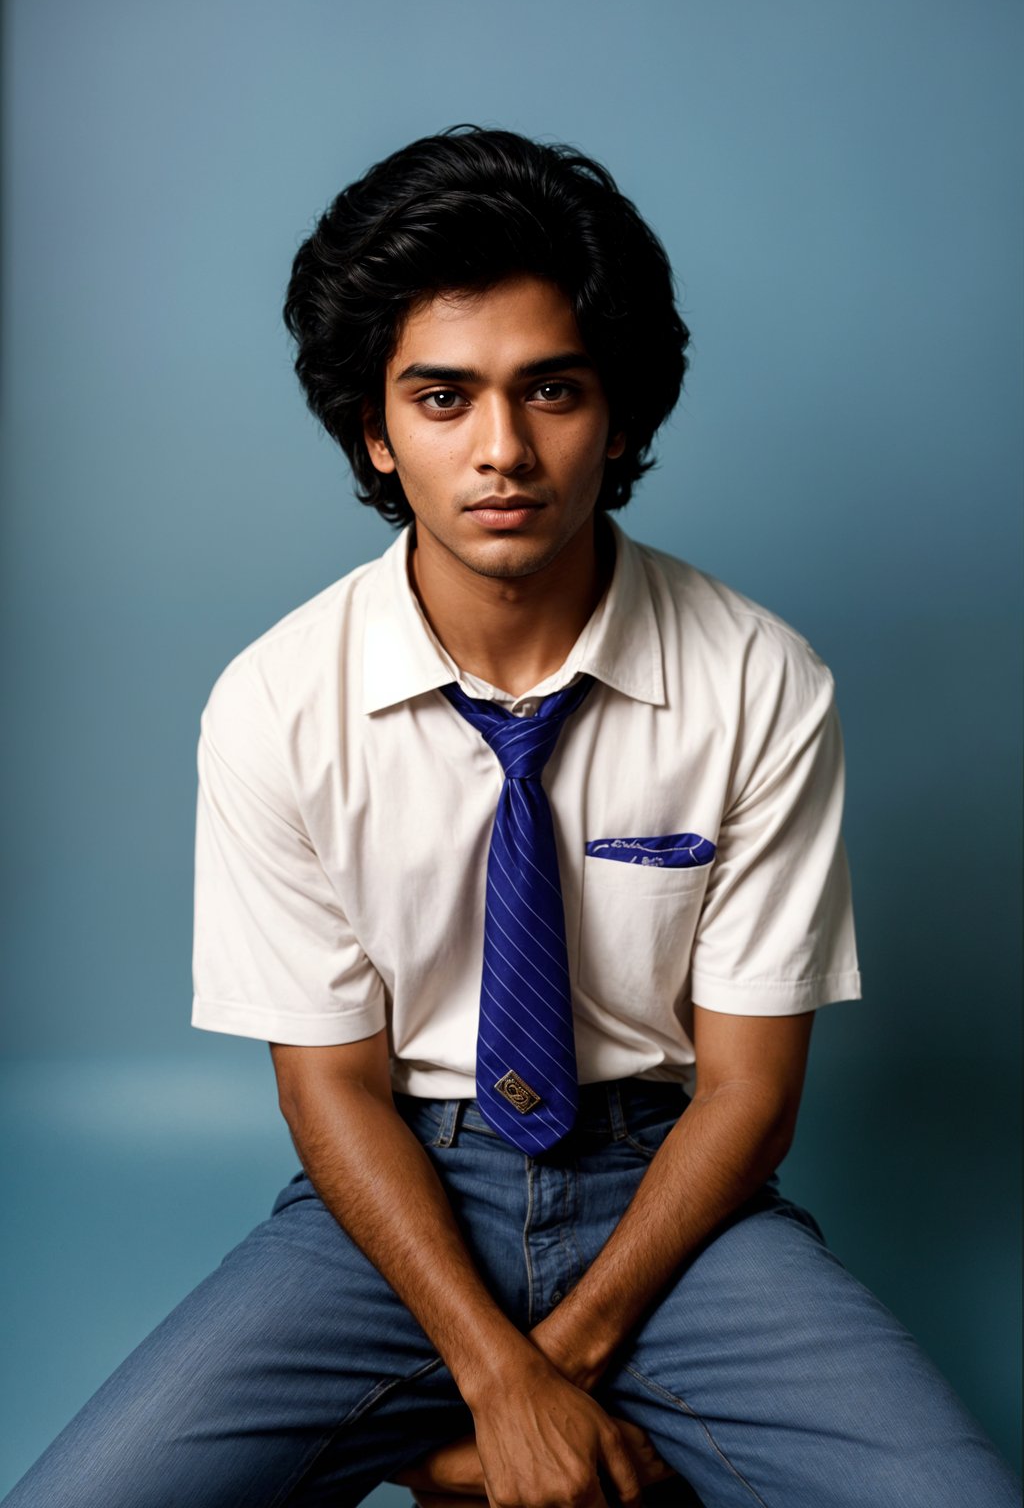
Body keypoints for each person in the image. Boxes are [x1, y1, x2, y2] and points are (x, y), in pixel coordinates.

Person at [4, 126, 1019, 1508]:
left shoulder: (757, 678)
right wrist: (496, 1383)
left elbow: (750, 1094)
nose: (503, 452)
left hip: (676, 1197)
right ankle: (448, 1439)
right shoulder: (278, 703)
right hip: (398, 1200)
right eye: (441, 398)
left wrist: (555, 1371)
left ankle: (484, 1438)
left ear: (622, 416)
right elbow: (329, 1086)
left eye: (551, 391)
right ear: (374, 426)